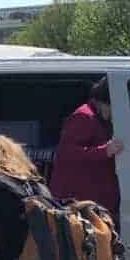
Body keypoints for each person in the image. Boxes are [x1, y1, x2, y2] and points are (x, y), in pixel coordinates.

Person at [49, 77, 122, 217]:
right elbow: (66, 153)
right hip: (79, 201)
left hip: (97, 200)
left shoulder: (99, 118)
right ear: (104, 101)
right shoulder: (84, 117)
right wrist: (104, 151)